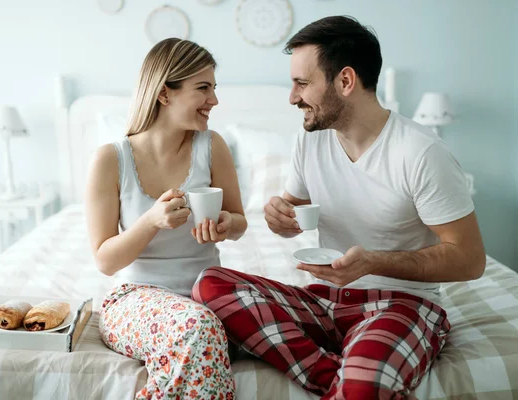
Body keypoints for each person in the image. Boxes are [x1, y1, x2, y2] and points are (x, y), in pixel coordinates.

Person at [192, 16, 486, 399]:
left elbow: (469, 259)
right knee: (210, 284)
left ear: (345, 81)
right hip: (322, 299)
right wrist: (279, 216)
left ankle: (350, 377)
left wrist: (374, 262)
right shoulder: (310, 140)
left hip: (400, 304)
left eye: (302, 83)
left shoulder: (421, 153)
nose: (292, 97)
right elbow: (293, 214)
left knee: (365, 386)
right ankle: (331, 373)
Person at [86, 38, 246, 400]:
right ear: (164, 94)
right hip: (135, 299)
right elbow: (105, 260)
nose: (215, 101)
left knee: (260, 325)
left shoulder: (212, 145)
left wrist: (225, 224)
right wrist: (150, 222)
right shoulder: (110, 160)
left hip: (208, 293)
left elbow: (239, 222)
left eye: (214, 88)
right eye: (203, 88)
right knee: (199, 329)